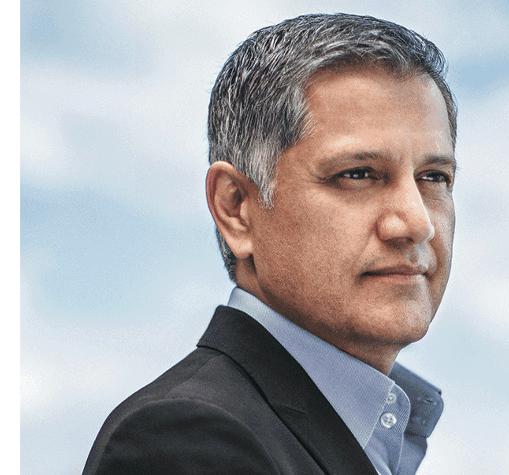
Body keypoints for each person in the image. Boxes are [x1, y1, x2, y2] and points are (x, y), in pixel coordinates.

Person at [83, 12, 457, 475]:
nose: (417, 222)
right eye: (358, 174)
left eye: (434, 177)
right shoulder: (187, 440)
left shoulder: (367, 440)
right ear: (236, 207)